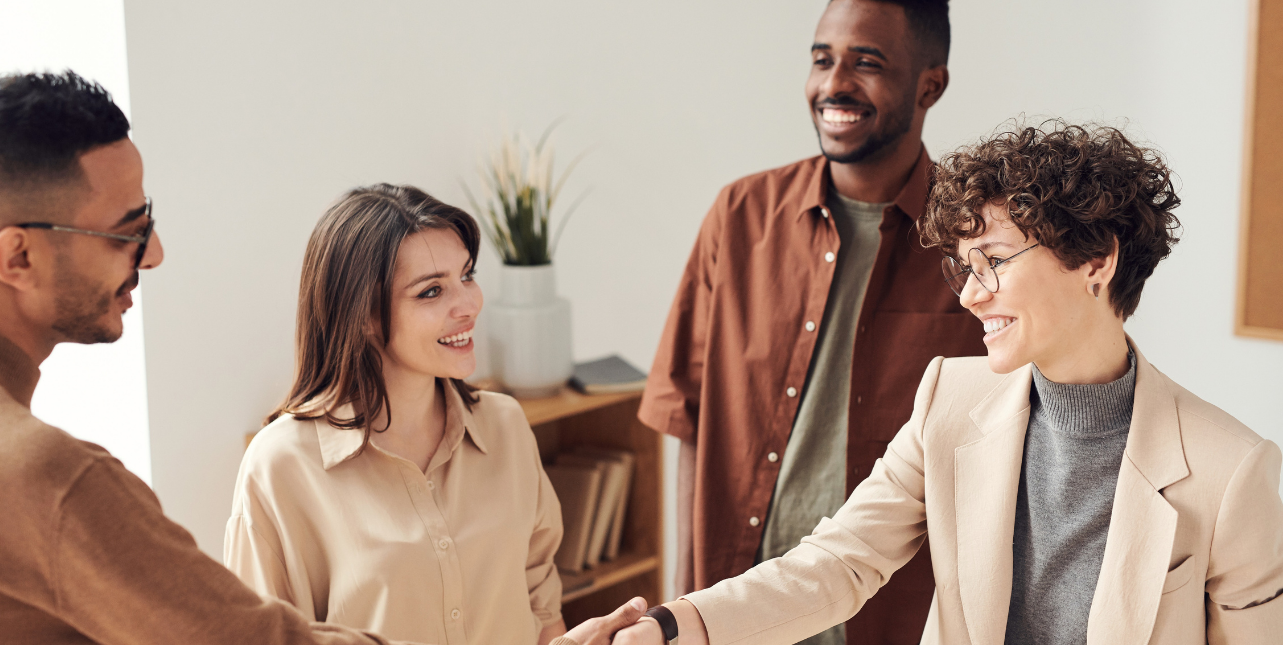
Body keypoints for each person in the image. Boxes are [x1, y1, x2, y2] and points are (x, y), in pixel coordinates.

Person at [0, 70, 642, 645]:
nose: (156, 254)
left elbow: (535, 591)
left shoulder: (506, 428)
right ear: (16, 254)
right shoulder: (52, 478)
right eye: (127, 230)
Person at [612, 121, 1283, 645]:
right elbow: (837, 562)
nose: (969, 295)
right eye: (964, 266)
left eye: (992, 260)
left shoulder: (1230, 470)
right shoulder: (949, 400)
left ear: (1096, 260)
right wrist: (673, 626)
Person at [638, 1, 982, 643]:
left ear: (929, 85)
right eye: (822, 60)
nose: (834, 85)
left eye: (867, 63)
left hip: (893, 617)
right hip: (734, 609)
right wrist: (686, 607)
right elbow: (688, 419)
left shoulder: (972, 244)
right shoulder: (739, 217)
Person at [224, 184, 567, 645]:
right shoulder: (281, 466)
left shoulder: (505, 426)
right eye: (431, 291)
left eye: (467, 275)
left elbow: (541, 609)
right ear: (362, 314)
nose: (467, 305)